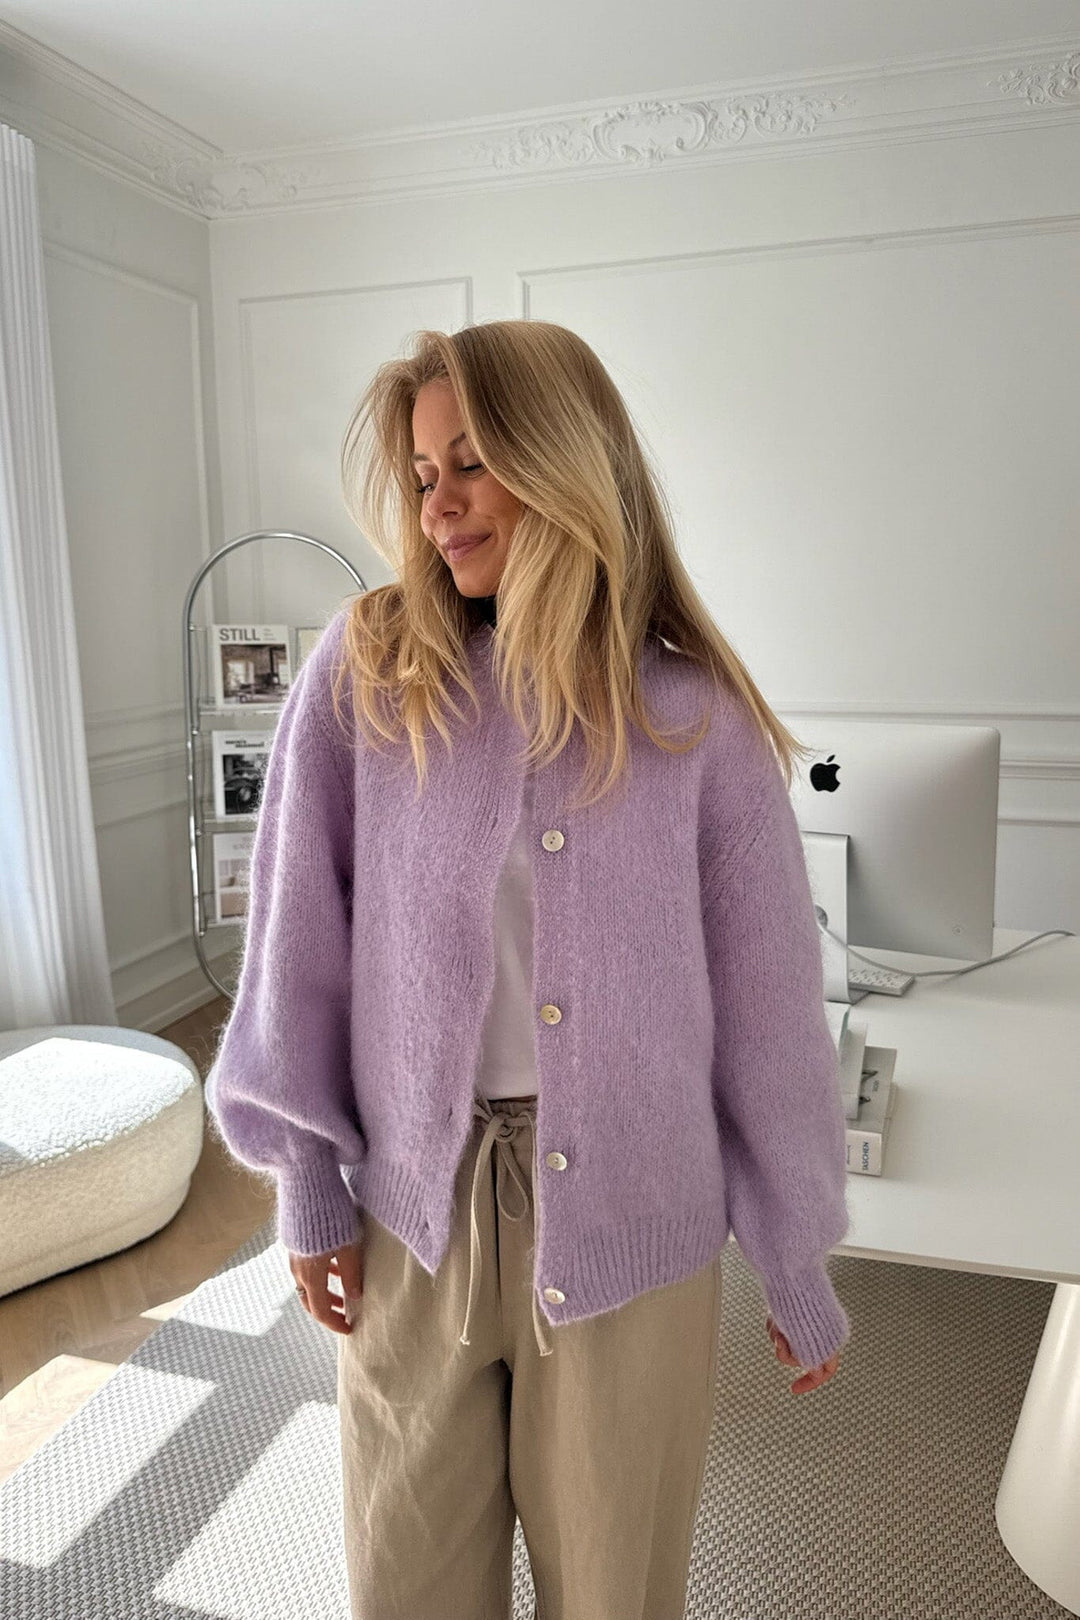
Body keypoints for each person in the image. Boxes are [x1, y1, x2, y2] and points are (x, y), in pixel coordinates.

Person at [205, 318, 851, 1620]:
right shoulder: (371, 672)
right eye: (421, 475)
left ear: (564, 461)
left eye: (470, 465)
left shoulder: (694, 717)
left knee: (617, 1588)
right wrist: (309, 1186)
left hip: (637, 1222)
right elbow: (297, 948)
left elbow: (769, 1016)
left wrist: (793, 1251)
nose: (436, 507)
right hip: (416, 1218)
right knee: (408, 1579)